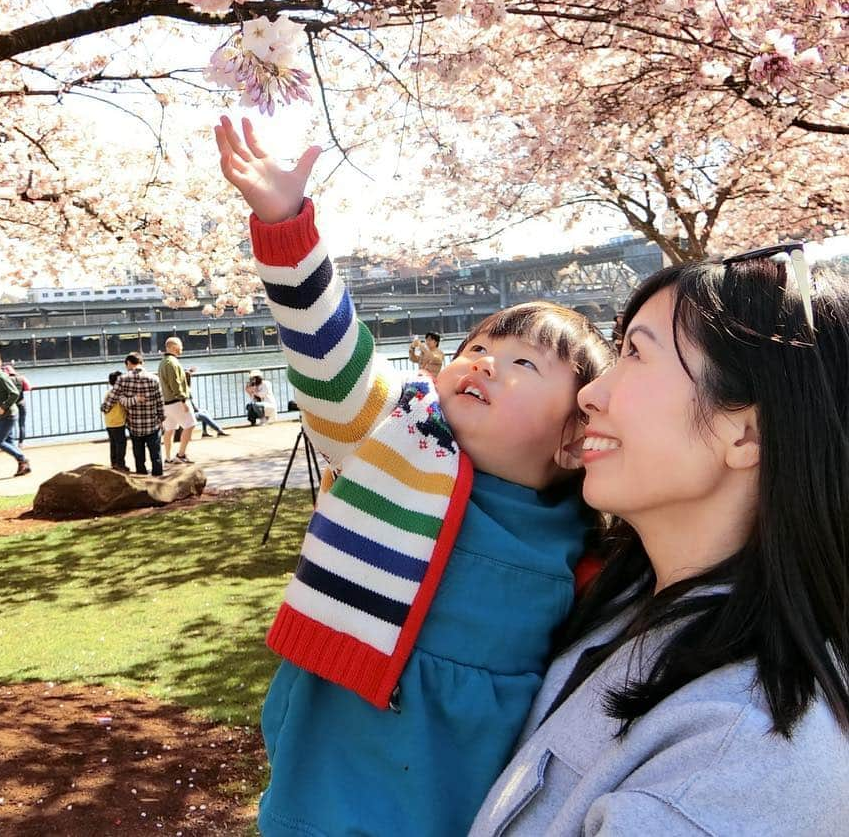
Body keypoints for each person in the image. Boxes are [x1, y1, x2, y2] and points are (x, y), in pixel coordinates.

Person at [215, 115, 615, 837]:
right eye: (480, 344)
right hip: (345, 732)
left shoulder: (585, 530)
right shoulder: (397, 435)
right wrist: (286, 227)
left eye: (525, 363)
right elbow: (331, 358)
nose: (487, 359)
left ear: (574, 438)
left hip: (467, 764)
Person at [469, 245, 849, 835]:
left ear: (746, 434)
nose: (589, 394)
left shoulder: (736, 766)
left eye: (637, 356)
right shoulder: (628, 598)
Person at [103, 352, 164, 477]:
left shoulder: (123, 379)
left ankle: (141, 477)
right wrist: (161, 418)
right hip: (152, 423)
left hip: (134, 424)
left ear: (129, 363)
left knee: (138, 454)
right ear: (142, 362)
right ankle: (158, 477)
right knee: (155, 453)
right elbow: (160, 401)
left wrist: (105, 408)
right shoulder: (154, 378)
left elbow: (113, 397)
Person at [0, 354, 30, 475]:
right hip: (1, 416)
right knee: (8, 442)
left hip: (8, 415)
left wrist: (3, 407)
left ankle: (23, 459)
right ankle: (23, 466)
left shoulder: (2, 377)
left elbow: (14, 393)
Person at [157, 336, 195, 464]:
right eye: (181, 347)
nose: (182, 349)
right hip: (176, 401)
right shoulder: (173, 363)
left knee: (169, 429)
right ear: (174, 347)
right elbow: (175, 383)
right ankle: (181, 454)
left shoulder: (163, 362)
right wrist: (183, 400)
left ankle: (168, 457)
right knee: (190, 425)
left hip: (166, 403)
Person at [186, 366, 228, 437]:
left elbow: (191, 404)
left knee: (204, 411)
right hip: (187, 414)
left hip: (190, 411)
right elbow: (190, 404)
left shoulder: (186, 388)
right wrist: (196, 410)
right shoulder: (185, 389)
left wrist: (190, 370)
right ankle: (219, 430)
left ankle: (204, 432)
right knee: (203, 415)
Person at [100, 370, 127, 469]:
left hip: (109, 422)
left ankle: (114, 462)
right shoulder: (117, 393)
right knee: (121, 443)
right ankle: (120, 464)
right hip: (117, 422)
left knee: (113, 443)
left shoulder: (109, 392)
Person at [1, 362, 31, 446]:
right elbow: (29, 388)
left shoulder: (4, 380)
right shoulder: (21, 378)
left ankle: (9, 443)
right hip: (21, 403)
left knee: (8, 424)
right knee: (22, 423)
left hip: (10, 404)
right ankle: (21, 443)